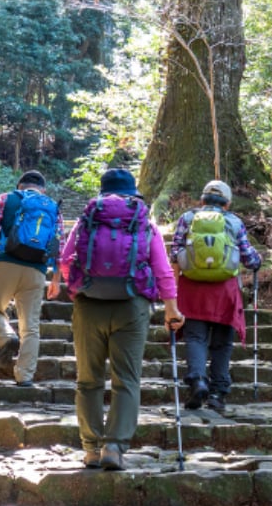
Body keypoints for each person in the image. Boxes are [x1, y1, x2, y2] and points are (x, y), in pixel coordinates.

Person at [60, 168, 182, 470]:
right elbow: (163, 270)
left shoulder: (88, 219)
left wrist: (80, 287)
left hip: (89, 305)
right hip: (132, 305)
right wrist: (171, 308)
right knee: (126, 379)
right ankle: (113, 447)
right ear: (133, 194)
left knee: (88, 380)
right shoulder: (143, 222)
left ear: (102, 192)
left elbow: (65, 259)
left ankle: (90, 447)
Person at [172, 179, 263, 414]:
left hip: (192, 288)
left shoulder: (187, 219)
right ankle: (217, 393)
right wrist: (258, 261)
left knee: (195, 337)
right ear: (228, 203)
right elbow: (249, 258)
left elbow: (175, 253)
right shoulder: (234, 222)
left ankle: (197, 380)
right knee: (222, 343)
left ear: (202, 200)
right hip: (225, 290)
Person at [0, 170, 63, 385]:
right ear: (43, 189)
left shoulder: (5, 198)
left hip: (5, 262)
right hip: (37, 270)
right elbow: (58, 243)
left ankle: (6, 337)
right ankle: (25, 377)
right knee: (30, 326)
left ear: (19, 185)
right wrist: (56, 279)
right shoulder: (52, 208)